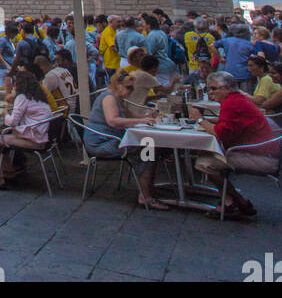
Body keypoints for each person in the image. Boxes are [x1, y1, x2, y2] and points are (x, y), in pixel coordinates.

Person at [189, 71, 281, 218]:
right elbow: (229, 123)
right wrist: (208, 120)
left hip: (262, 158)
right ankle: (228, 201)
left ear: (228, 88)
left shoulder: (231, 103)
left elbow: (219, 133)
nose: (211, 92)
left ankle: (239, 202)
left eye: (214, 88)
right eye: (209, 89)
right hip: (264, 152)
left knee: (204, 163)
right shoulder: (236, 99)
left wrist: (199, 119)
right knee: (206, 153)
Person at [84, 68, 170, 210]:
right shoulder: (109, 98)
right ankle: (146, 196)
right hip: (102, 142)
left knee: (150, 148)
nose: (131, 91)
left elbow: (130, 117)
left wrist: (146, 118)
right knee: (147, 151)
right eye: (129, 88)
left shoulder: (118, 98)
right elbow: (113, 121)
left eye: (132, 88)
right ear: (118, 85)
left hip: (111, 139)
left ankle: (148, 189)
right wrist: (140, 121)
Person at [0, 71, 53, 191]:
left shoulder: (22, 97)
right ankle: (8, 172)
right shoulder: (38, 97)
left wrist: (5, 113)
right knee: (1, 138)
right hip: (42, 137)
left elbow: (12, 122)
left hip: (32, 139)